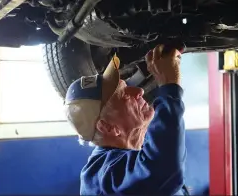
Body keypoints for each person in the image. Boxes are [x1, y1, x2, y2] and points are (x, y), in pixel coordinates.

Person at [64, 45, 188, 195]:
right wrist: (170, 87)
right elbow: (161, 171)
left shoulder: (122, 162)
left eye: (127, 86)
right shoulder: (100, 176)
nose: (139, 91)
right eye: (123, 95)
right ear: (107, 127)